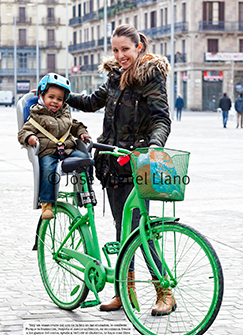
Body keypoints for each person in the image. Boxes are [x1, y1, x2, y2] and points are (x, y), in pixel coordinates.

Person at [67, 24, 172, 315]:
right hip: (111, 163)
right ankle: (125, 293)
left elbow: (162, 118)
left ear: (139, 47)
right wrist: (62, 94)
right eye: (115, 50)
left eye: (125, 49)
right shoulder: (114, 77)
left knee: (141, 230)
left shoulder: (150, 77)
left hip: (136, 162)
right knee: (121, 230)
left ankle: (165, 291)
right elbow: (91, 102)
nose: (120, 55)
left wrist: (154, 145)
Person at [18, 73, 91, 219]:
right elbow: (23, 132)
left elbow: (75, 125)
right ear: (41, 96)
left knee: (85, 159)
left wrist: (82, 133)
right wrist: (30, 137)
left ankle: (84, 191)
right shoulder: (36, 115)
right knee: (48, 171)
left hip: (68, 149)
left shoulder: (65, 114)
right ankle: (46, 203)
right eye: (51, 97)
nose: (55, 102)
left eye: (59, 99)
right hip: (48, 152)